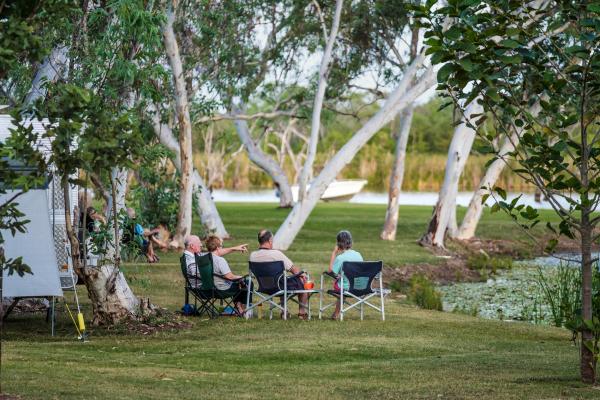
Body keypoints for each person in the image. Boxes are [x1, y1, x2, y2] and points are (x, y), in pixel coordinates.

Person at [249, 229, 308, 319]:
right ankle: (302, 313)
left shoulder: (252, 256)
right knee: (301, 280)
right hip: (279, 287)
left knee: (281, 279)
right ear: (270, 241)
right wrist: (302, 274)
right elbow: (294, 270)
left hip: (264, 286)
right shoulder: (277, 254)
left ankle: (284, 311)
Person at [183, 235, 248, 290]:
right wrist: (218, 275)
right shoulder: (191, 259)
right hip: (207, 288)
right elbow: (198, 273)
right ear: (192, 246)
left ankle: (239, 304)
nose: (201, 245)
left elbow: (214, 253)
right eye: (199, 243)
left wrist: (235, 248)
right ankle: (242, 304)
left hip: (201, 287)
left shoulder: (192, 256)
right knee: (244, 282)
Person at [205, 235, 249, 315]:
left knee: (241, 281)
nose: (223, 248)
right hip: (221, 289)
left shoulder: (203, 257)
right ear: (218, 248)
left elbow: (220, 251)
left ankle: (238, 306)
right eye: (222, 246)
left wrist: (234, 248)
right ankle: (242, 308)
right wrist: (242, 277)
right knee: (247, 282)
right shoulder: (220, 260)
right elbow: (230, 277)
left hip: (207, 288)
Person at [328, 230, 363, 320]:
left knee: (341, 284)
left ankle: (336, 313)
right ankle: (336, 313)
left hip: (345, 287)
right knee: (343, 281)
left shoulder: (340, 258)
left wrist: (334, 253)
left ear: (338, 244)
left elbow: (331, 271)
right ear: (350, 242)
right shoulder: (358, 255)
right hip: (360, 287)